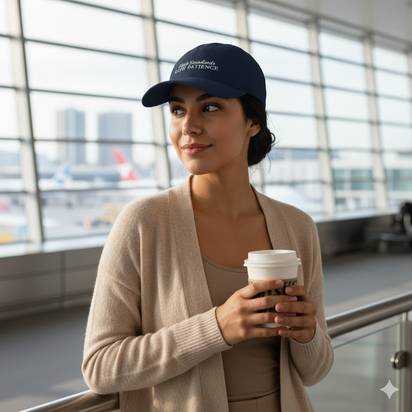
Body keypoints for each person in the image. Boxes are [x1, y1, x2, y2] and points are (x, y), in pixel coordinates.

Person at [82, 43, 333, 412]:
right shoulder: (144, 224)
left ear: (252, 121)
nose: (188, 126)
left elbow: (315, 371)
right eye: (177, 110)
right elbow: (101, 367)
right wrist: (216, 327)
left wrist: (308, 334)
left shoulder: (297, 227)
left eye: (210, 107)